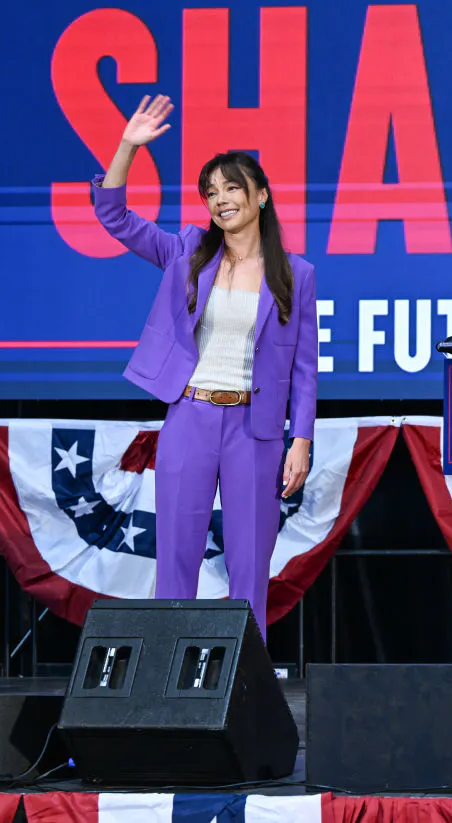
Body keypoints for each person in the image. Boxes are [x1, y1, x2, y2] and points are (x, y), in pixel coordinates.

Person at [91, 94, 318, 639]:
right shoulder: (188, 252)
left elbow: (305, 368)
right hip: (189, 418)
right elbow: (114, 216)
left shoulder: (297, 274)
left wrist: (302, 440)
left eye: (232, 188)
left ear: (261, 195)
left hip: (256, 430)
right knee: (177, 555)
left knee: (249, 563)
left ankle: (246, 677)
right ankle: (169, 672)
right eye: (211, 192)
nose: (220, 200)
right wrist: (127, 146)